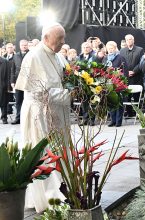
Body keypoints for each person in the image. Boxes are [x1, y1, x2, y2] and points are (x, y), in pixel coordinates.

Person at [15, 22, 70, 213]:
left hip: (57, 113)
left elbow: (65, 80)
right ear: (46, 38)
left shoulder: (58, 56)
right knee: (44, 154)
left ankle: (62, 191)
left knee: (59, 151)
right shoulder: (34, 56)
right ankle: (49, 198)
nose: (63, 42)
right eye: (59, 39)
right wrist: (69, 95)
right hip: (39, 115)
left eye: (63, 38)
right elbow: (38, 93)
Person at [103, 41, 128, 127]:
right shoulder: (106, 58)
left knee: (119, 102)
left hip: (118, 83)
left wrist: (123, 82)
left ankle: (118, 121)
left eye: (112, 48)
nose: (110, 50)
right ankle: (112, 120)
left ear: (115, 48)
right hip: (108, 83)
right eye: (108, 48)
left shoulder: (120, 57)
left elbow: (125, 71)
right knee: (111, 102)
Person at [120, 34, 144, 116]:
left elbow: (141, 63)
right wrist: (126, 72)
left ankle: (138, 113)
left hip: (137, 76)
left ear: (133, 40)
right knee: (127, 96)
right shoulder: (122, 51)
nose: (129, 41)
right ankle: (129, 112)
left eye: (131, 39)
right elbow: (122, 63)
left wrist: (134, 71)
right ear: (125, 41)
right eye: (127, 40)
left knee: (137, 96)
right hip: (126, 77)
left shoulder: (140, 50)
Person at [11, 39, 29, 124]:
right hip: (18, 81)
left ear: (27, 45)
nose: (24, 46)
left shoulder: (31, 54)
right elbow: (13, 69)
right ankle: (18, 118)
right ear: (19, 46)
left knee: (27, 101)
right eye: (22, 45)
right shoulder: (16, 55)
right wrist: (12, 81)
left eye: (25, 45)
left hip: (28, 81)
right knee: (18, 101)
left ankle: (26, 119)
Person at [4, 42, 15, 114]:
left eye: (11, 47)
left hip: (12, 77)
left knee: (11, 94)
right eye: (8, 47)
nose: (10, 49)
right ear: (6, 49)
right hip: (4, 78)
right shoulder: (3, 57)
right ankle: (6, 109)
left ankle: (9, 109)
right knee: (4, 94)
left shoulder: (15, 57)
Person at [0, 57, 10, 124]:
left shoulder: (5, 61)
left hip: (2, 85)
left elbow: (8, 74)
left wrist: (7, 86)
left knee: (3, 102)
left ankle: (4, 117)